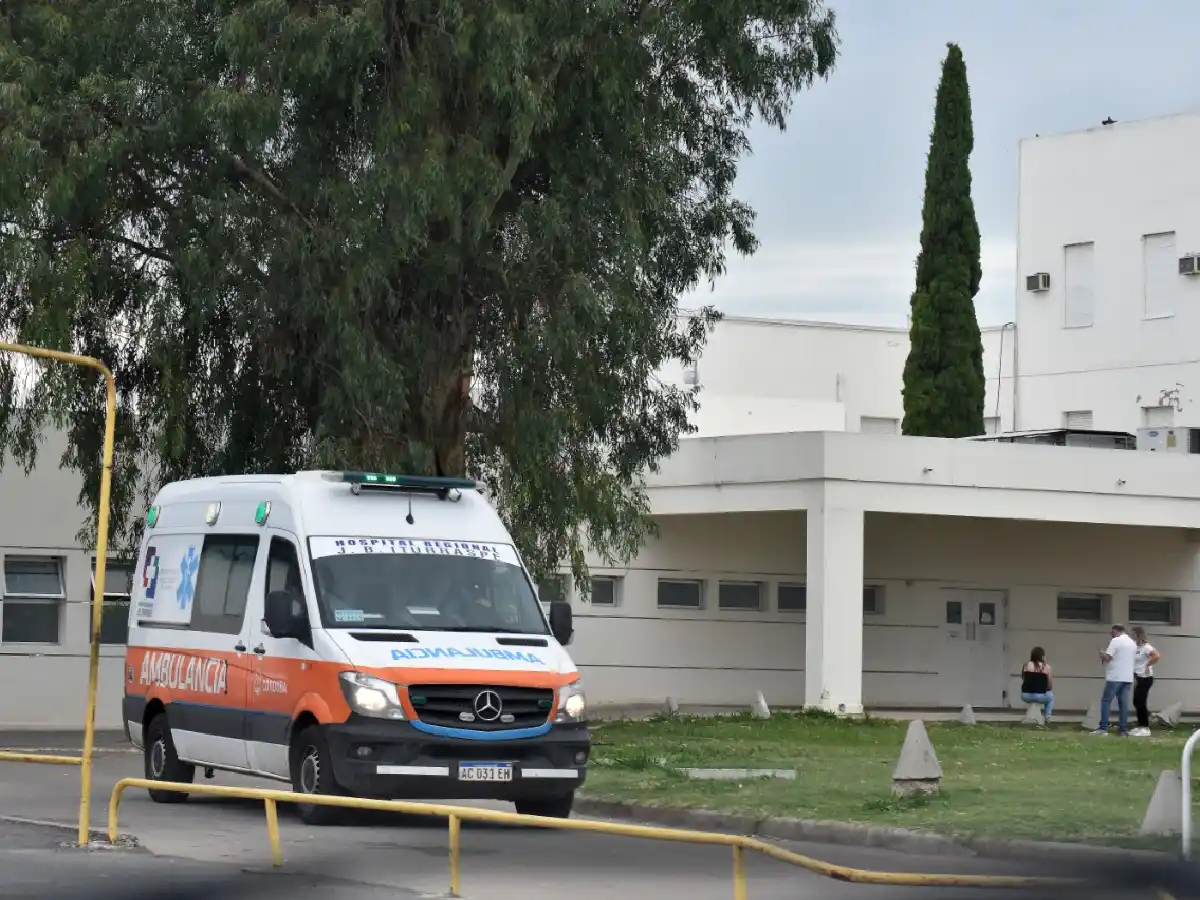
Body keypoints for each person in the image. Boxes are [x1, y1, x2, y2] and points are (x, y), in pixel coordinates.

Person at [1094, 623, 1136, 736]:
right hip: (1127, 677)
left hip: (1115, 676)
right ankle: (1123, 729)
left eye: (1112, 632)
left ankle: (1103, 728)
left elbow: (1108, 657)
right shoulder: (1132, 643)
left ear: (1116, 631)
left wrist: (1101, 653)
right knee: (1123, 704)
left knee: (1106, 701)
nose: (1111, 635)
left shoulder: (1116, 641)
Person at [1131, 626, 1162, 737]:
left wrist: (1148, 664)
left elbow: (1157, 656)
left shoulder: (1146, 647)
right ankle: (1141, 725)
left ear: (1139, 635)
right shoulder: (1136, 647)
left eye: (1134, 634)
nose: (1132, 636)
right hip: (1138, 676)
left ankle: (1145, 727)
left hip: (1146, 678)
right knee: (1136, 701)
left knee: (1140, 701)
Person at [1019, 647, 1054, 724]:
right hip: (1040, 696)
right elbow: (1050, 685)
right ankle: (1047, 717)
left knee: (1046, 695)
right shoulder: (1047, 667)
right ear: (1042, 656)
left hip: (1025, 696)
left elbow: (1023, 678)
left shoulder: (1026, 665)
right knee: (1051, 696)